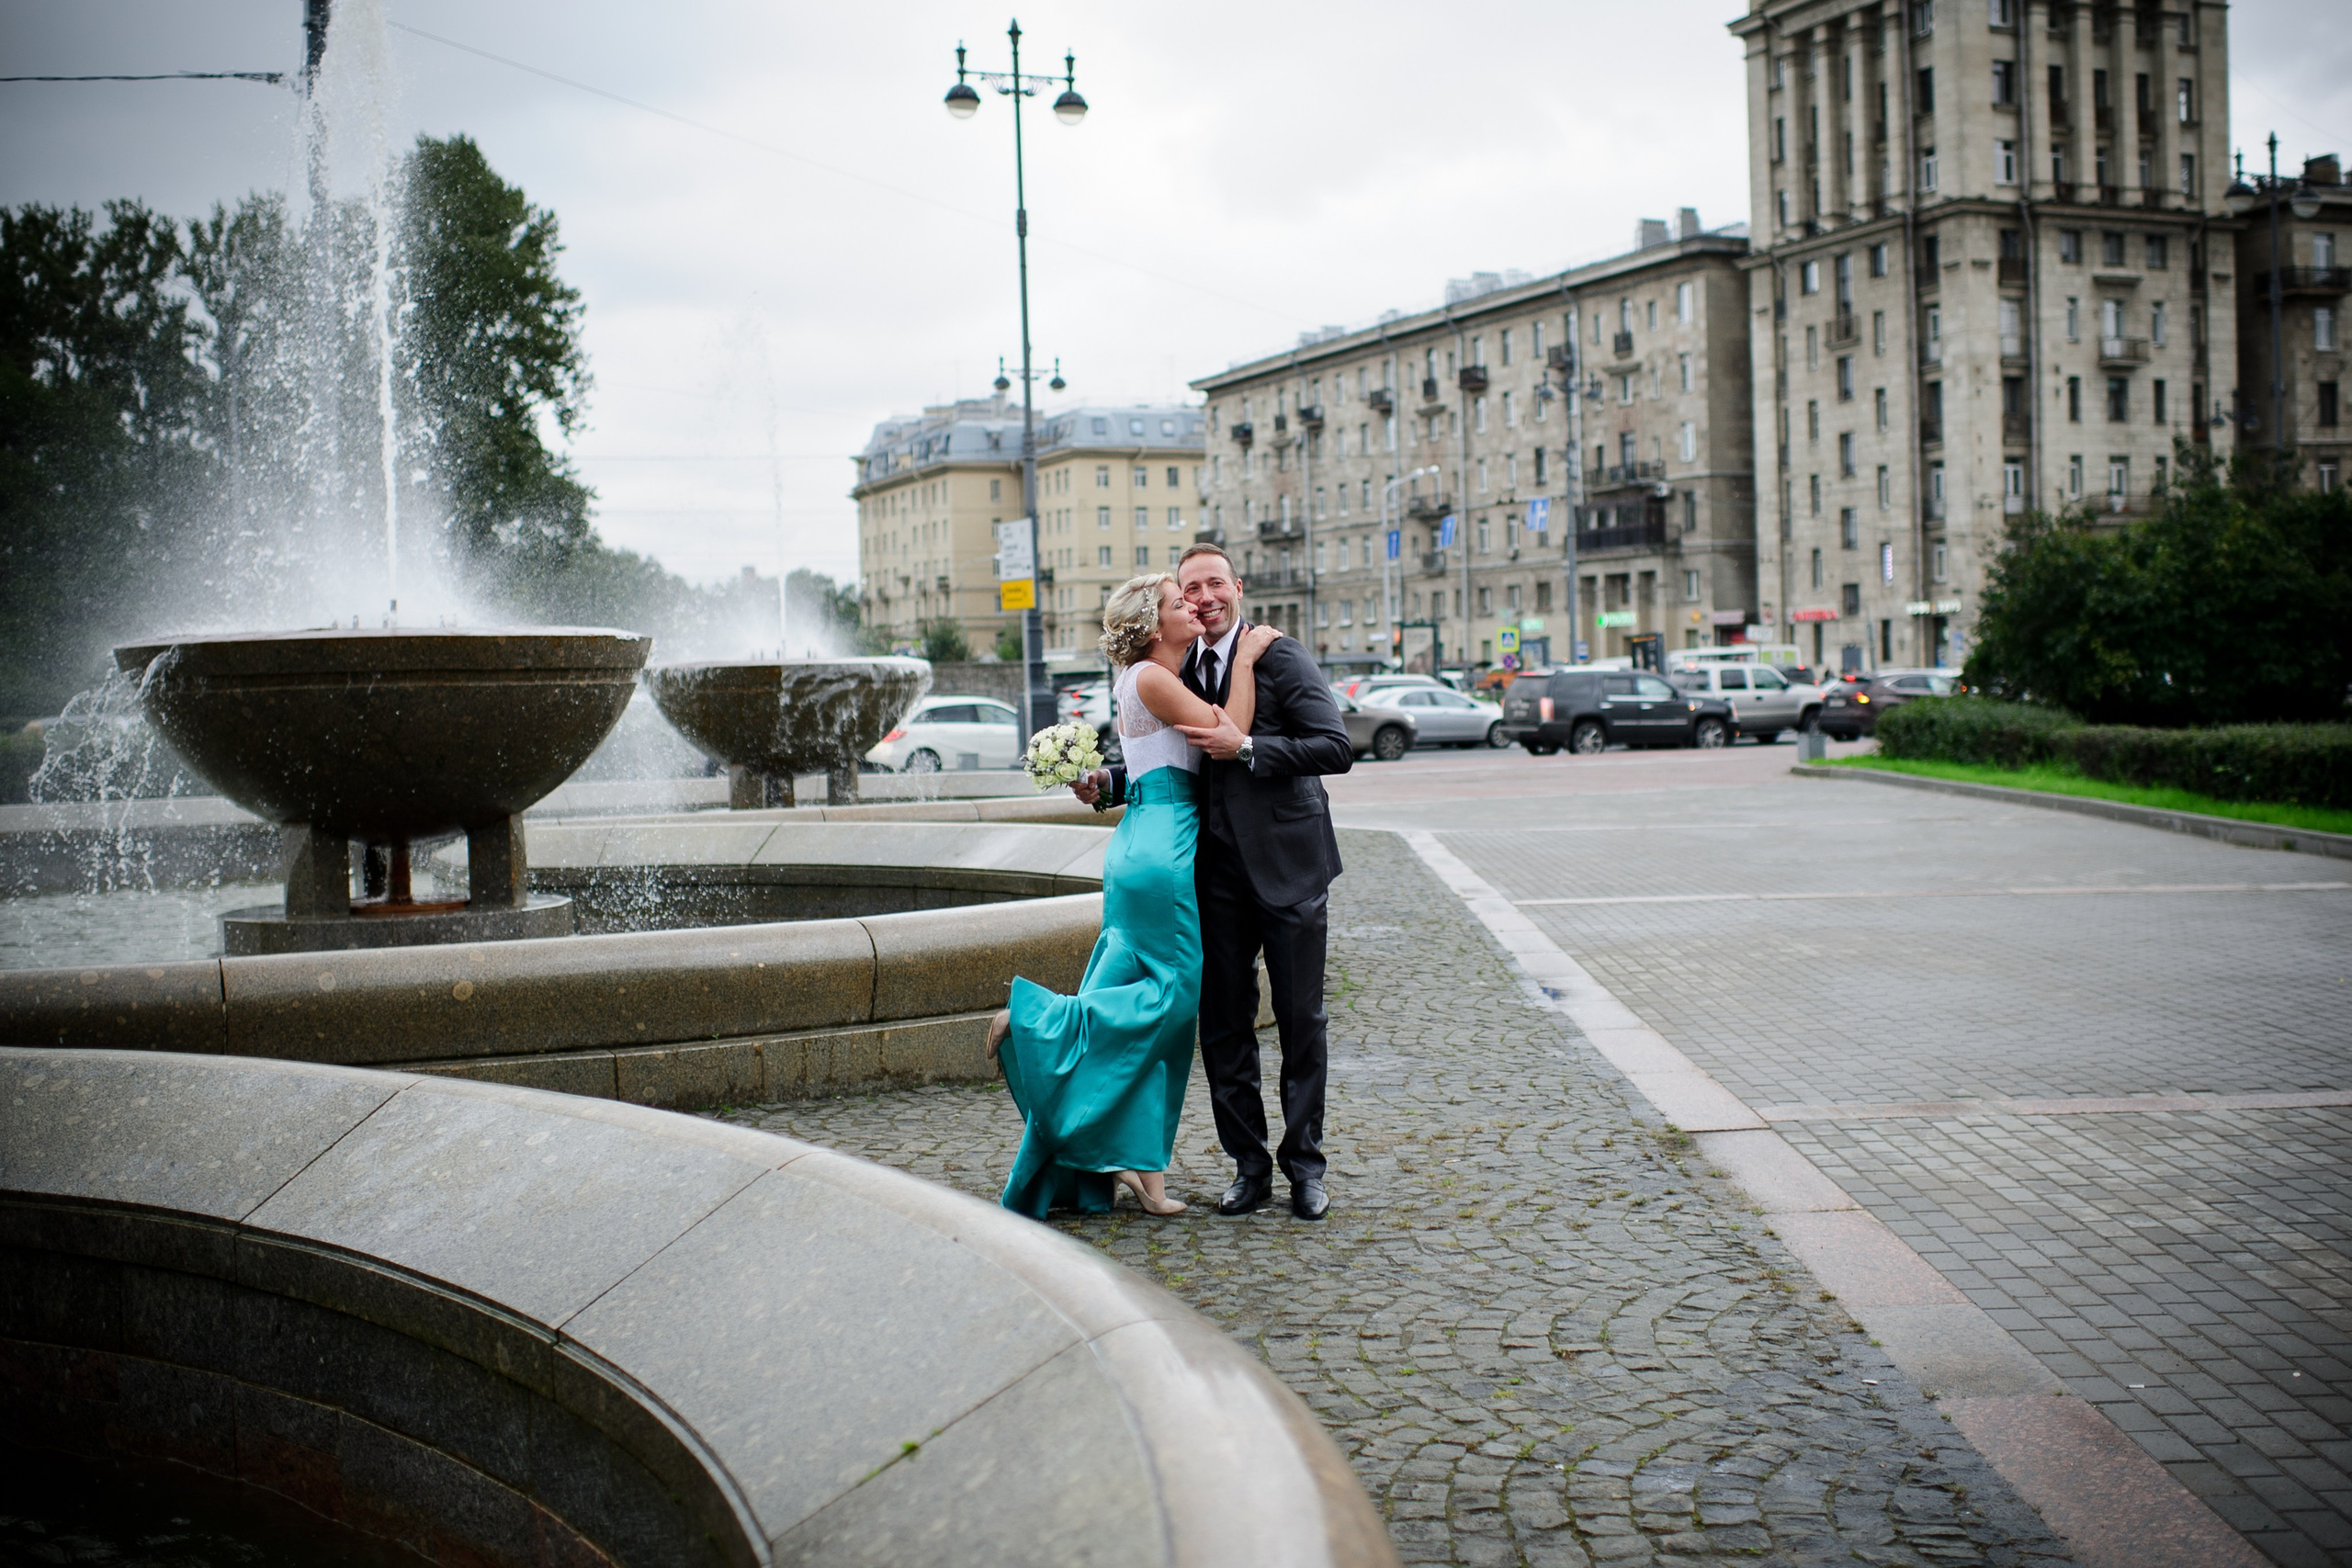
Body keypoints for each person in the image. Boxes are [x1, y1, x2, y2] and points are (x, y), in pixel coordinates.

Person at [1074, 543, 1354, 1222]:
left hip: (1289, 868)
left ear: (1237, 587)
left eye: (1213, 584)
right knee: (1225, 1027)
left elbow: (1335, 747)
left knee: (1300, 1023)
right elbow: (1172, 755)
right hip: (1212, 874)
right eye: (1190, 588)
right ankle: (1248, 1168)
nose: (1203, 597)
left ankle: (1305, 1169)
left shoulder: (1279, 655)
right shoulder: (1182, 664)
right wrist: (1109, 781)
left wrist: (1254, 748)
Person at [988, 573, 1280, 1219]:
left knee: (1147, 1002)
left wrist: (1102, 781)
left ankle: (1142, 1170)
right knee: (1173, 1001)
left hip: (1140, 841)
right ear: (1154, 626)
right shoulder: (1152, 677)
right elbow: (1229, 733)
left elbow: (1149, 764)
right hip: (1163, 852)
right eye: (1179, 603)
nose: (1193, 608)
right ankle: (1040, 1021)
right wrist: (1251, 658)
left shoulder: (1140, 680)